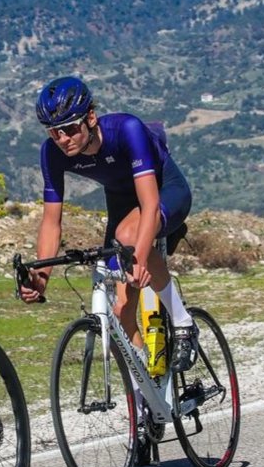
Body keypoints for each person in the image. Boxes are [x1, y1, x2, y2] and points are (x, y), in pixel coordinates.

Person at [18, 76, 196, 442]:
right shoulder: (52, 153)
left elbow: (149, 204)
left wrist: (141, 258)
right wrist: (42, 277)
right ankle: (147, 402)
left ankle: (183, 323)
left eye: (69, 128)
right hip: (121, 204)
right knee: (120, 313)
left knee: (130, 238)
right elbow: (52, 222)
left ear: (90, 118)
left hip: (164, 191)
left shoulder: (126, 129)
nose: (62, 139)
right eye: (54, 132)